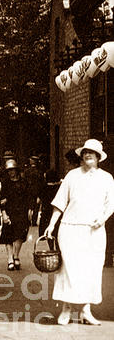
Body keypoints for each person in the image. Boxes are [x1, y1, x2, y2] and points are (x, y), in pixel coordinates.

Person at [44, 139, 114, 326]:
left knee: (91, 270)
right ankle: (66, 309)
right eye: (85, 152)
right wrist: (52, 225)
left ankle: (86, 311)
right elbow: (60, 202)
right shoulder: (72, 176)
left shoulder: (107, 178)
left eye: (92, 152)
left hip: (94, 232)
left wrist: (102, 219)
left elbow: (111, 204)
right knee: (69, 270)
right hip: (70, 229)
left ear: (99, 157)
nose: (87, 155)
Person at [0, 158, 30, 271]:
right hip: (9, 211)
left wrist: (29, 210)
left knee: (19, 235)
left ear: (16, 170)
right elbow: (2, 199)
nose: (11, 172)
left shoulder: (23, 182)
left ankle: (16, 255)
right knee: (8, 236)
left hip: (21, 212)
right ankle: (10, 259)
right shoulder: (5, 183)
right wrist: (4, 214)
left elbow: (28, 196)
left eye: (12, 170)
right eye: (9, 171)